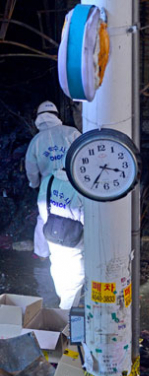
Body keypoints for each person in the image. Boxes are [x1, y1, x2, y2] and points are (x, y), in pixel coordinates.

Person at [26, 101, 81, 260]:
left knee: (44, 218)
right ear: (57, 116)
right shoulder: (72, 133)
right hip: (73, 182)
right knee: (77, 215)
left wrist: (34, 184)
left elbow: (31, 169)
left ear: (38, 118)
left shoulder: (36, 141)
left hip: (48, 186)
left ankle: (42, 254)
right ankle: (76, 248)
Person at [37, 169, 84, 310]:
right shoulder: (83, 184)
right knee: (76, 275)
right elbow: (86, 214)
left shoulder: (49, 179)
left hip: (53, 229)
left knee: (58, 266)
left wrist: (50, 225)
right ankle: (66, 314)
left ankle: (63, 300)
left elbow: (42, 204)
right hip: (75, 235)